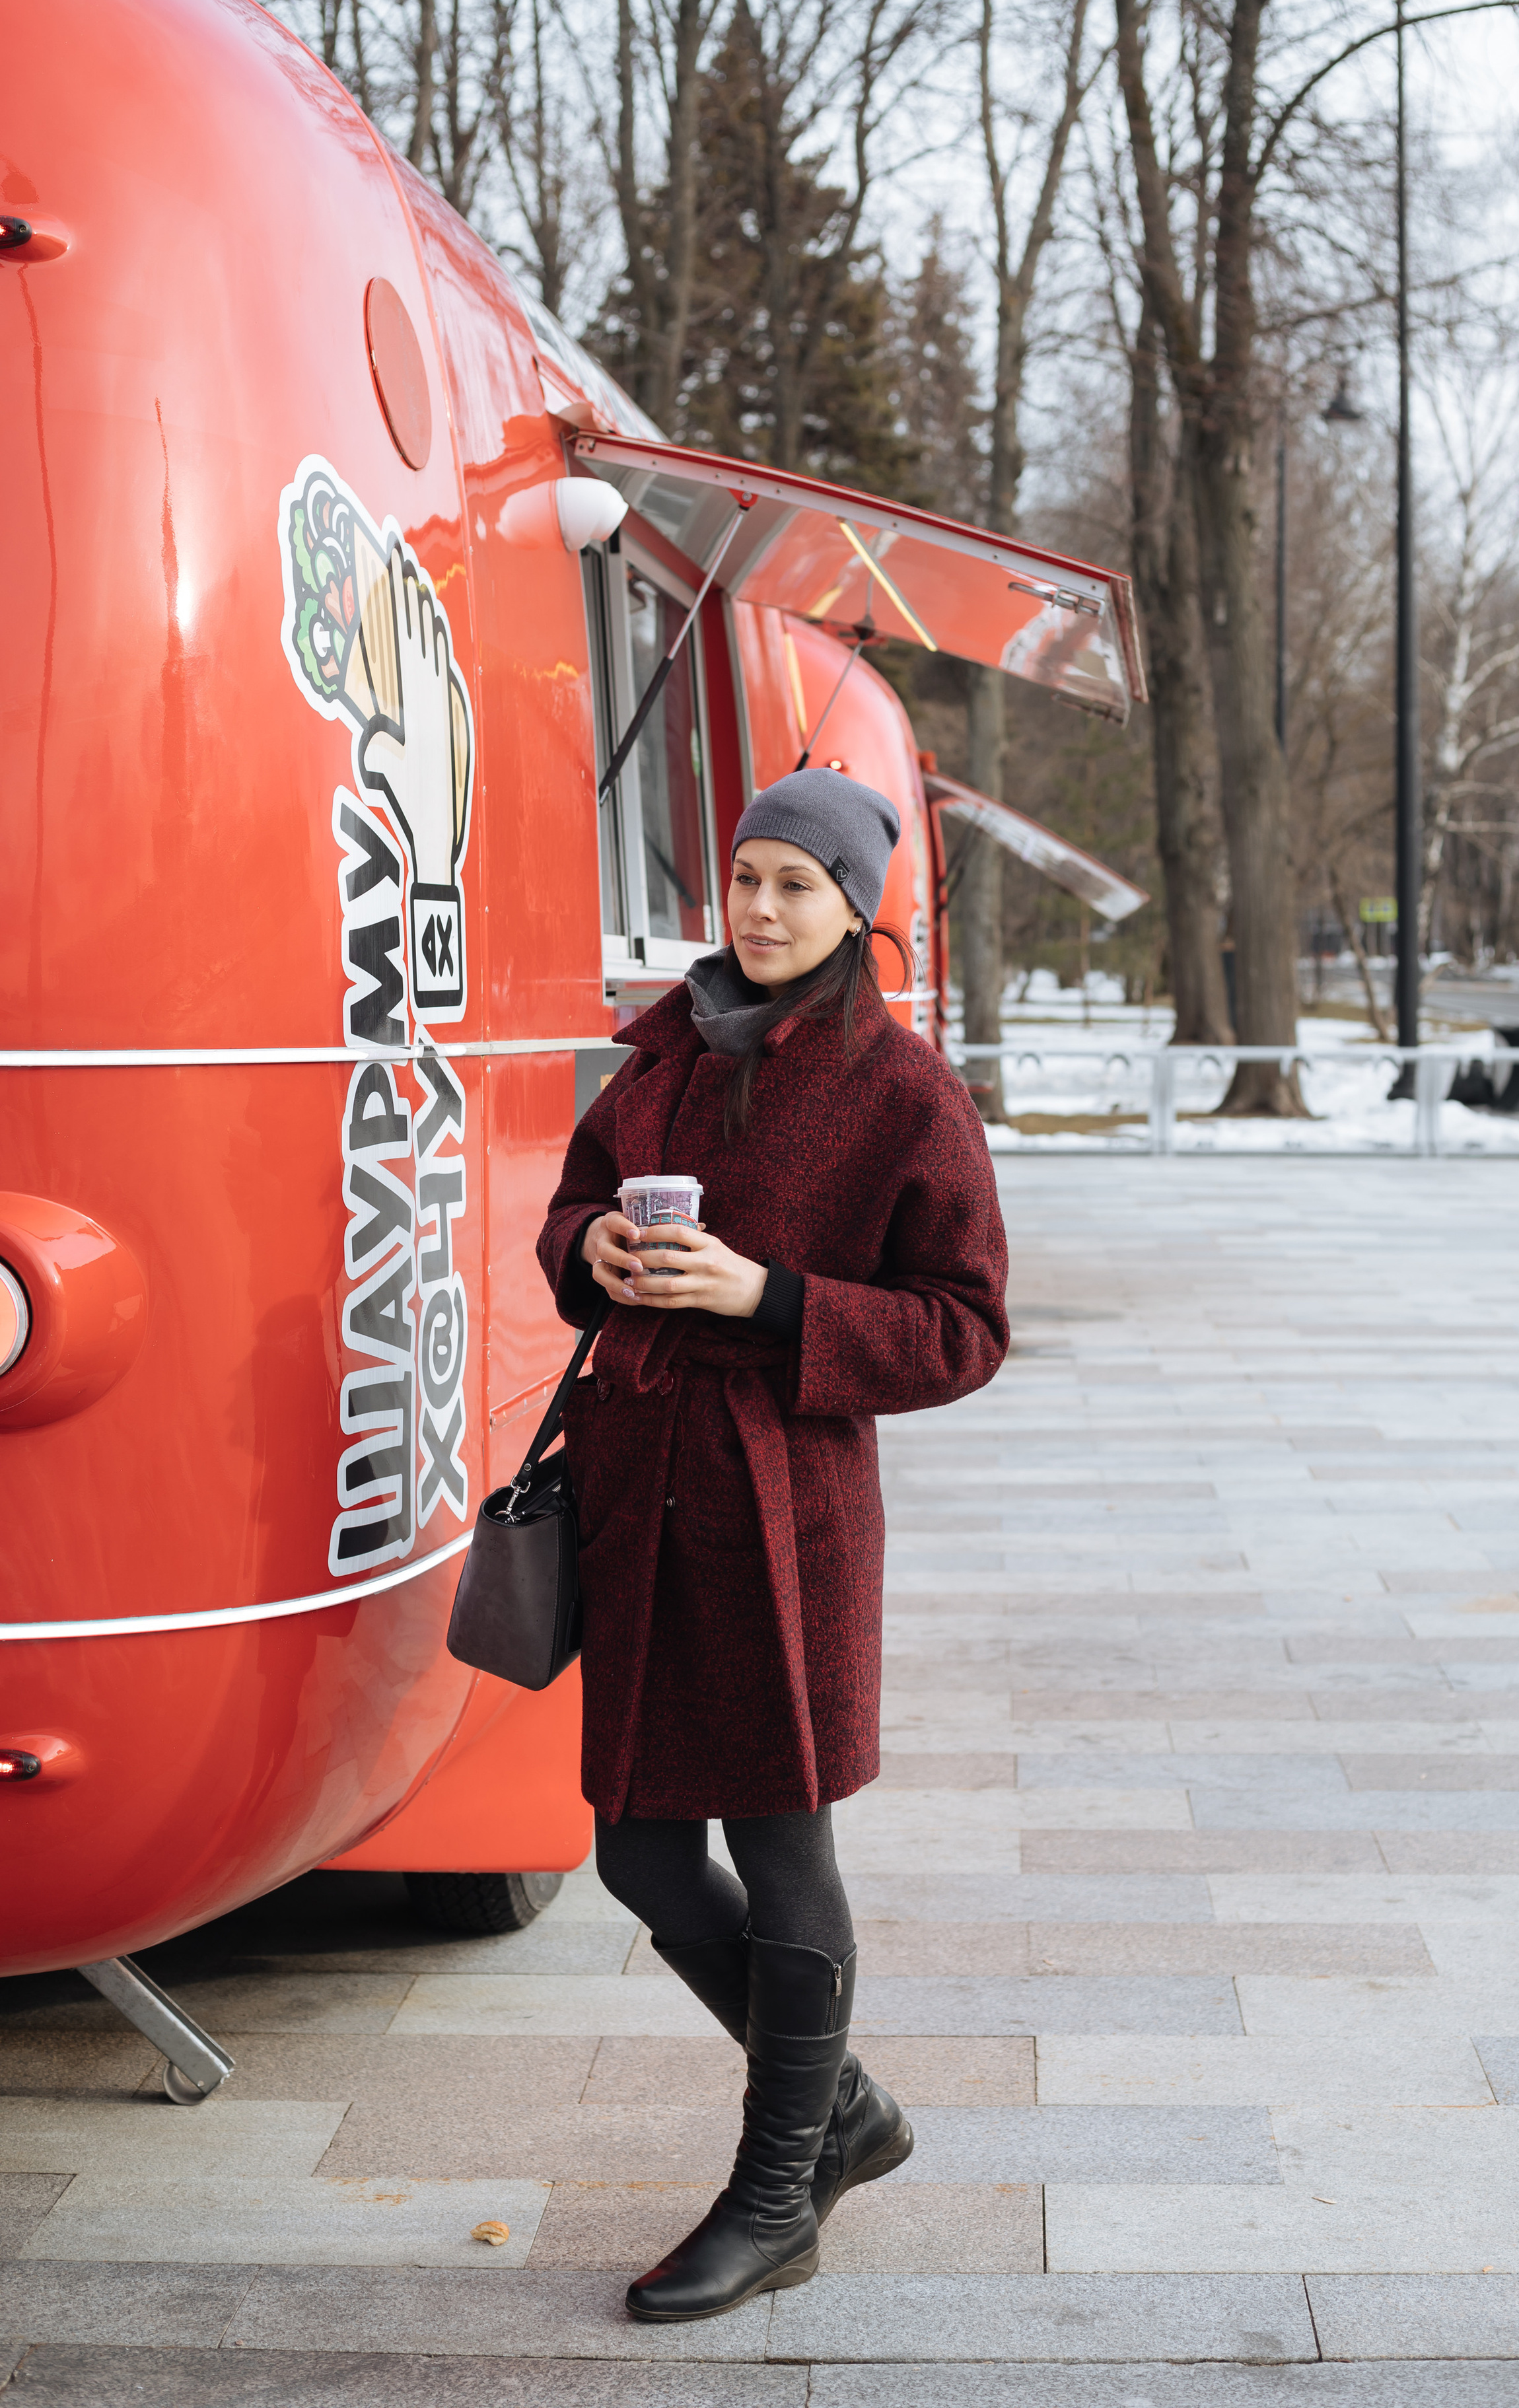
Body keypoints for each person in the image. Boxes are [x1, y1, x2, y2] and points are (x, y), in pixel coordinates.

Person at [535, 767, 1009, 2325]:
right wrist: (589, 1246)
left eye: (796, 884)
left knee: (779, 1838)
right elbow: (576, 1205)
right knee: (637, 1845)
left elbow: (965, 1327)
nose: (759, 906)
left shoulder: (901, 1090)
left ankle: (773, 2193)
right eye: (744, 875)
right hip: (639, 1489)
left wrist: (771, 1300)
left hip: (784, 1509)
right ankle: (842, 2114)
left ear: (854, 904)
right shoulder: (664, 1044)